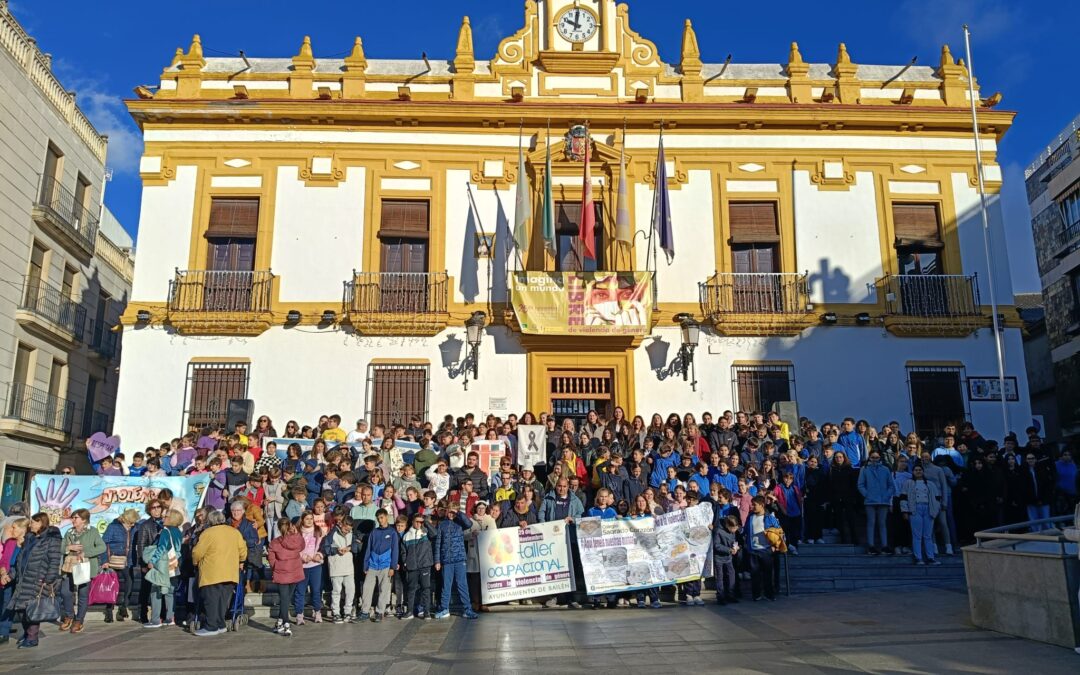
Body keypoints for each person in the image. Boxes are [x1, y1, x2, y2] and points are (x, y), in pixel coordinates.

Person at [192, 509, 248, 636]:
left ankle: (211, 627)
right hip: (230, 572)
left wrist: (195, 562)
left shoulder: (208, 533)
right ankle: (220, 624)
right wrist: (241, 560)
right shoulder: (234, 532)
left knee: (211, 600)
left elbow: (198, 552)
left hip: (212, 572)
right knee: (223, 600)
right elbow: (243, 550)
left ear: (210, 521)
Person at [11, 513, 62, 648]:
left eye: (33, 522)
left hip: (38, 579)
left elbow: (54, 561)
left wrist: (48, 579)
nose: (31, 525)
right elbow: (22, 556)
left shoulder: (52, 540)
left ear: (41, 523)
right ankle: (28, 633)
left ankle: (32, 638)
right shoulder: (30, 538)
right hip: (24, 578)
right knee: (21, 609)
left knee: (33, 609)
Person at [59, 508, 106, 634]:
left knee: (83, 594)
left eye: (76, 518)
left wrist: (86, 553)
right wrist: (69, 547)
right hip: (69, 566)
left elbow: (102, 547)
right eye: (72, 517)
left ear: (84, 520)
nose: (73, 520)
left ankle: (79, 620)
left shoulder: (92, 531)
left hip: (85, 566)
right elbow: (61, 548)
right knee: (65, 592)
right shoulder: (69, 532)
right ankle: (69, 615)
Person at [433, 499, 477, 620]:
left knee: (462, 584)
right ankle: (444, 608)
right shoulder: (442, 524)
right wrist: (437, 561)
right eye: (449, 512)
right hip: (446, 560)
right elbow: (438, 544)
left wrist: (458, 513)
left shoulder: (460, 522)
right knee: (446, 586)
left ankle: (467, 609)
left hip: (459, 559)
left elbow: (469, 524)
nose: (451, 514)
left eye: (453, 512)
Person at [144, 509, 183, 628]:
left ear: (171, 519)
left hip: (164, 565)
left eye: (166, 516)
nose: (163, 518)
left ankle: (155, 620)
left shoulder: (165, 532)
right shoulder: (178, 531)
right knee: (170, 592)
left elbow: (161, 549)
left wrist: (152, 561)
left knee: (156, 591)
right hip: (174, 565)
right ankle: (170, 618)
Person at [359, 508, 400, 622]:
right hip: (372, 564)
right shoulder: (374, 532)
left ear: (386, 517)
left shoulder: (392, 533)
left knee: (383, 589)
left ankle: (380, 612)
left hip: (385, 565)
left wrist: (392, 566)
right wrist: (365, 565)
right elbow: (368, 549)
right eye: (378, 518)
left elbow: (395, 550)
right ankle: (365, 611)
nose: (380, 520)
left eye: (382, 518)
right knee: (367, 588)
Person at [102, 508, 139, 622]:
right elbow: (104, 543)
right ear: (125, 519)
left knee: (130, 581)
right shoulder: (113, 527)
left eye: (133, 523)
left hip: (128, 560)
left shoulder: (134, 527)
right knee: (111, 585)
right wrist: (104, 560)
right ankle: (109, 610)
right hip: (113, 559)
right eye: (130, 522)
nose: (132, 525)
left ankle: (124, 606)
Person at [900, 464, 943, 565]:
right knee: (917, 535)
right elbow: (903, 497)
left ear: (923, 472)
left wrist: (935, 510)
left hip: (928, 509)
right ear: (913, 472)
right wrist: (905, 511)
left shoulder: (930, 484)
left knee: (928, 535)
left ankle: (930, 557)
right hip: (915, 509)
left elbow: (937, 498)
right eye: (916, 470)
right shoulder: (908, 483)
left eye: (920, 470)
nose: (918, 471)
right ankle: (918, 557)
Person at [268, 517, 304, 636]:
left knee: (284, 599)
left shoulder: (275, 542)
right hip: (295, 571)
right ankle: (280, 622)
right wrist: (297, 533)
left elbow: (271, 558)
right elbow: (302, 546)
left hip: (282, 573)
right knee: (287, 599)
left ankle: (285, 623)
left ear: (278, 528)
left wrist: (276, 567)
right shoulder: (296, 539)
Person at [858, 451, 896, 555]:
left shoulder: (885, 469)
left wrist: (887, 495)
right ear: (869, 458)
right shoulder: (864, 469)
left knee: (882, 523)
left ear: (880, 458)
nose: (875, 459)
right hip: (870, 501)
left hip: (883, 500)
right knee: (871, 523)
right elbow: (860, 485)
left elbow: (891, 485)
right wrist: (867, 495)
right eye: (873, 457)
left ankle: (884, 546)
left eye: (877, 457)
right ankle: (871, 546)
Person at [745, 496, 781, 601]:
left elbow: (778, 532)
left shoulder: (770, 518)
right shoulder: (750, 517)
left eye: (755, 505)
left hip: (766, 550)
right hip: (753, 549)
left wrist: (775, 546)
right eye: (752, 505)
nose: (753, 507)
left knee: (768, 574)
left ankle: (769, 594)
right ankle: (756, 595)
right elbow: (746, 530)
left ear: (762, 505)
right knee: (755, 574)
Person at [0, 517, 29, 644]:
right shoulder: (10, 542)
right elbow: (4, 559)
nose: (12, 530)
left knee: (23, 606)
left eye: (14, 527)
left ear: (23, 529)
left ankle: (28, 633)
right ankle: (3, 632)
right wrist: (2, 573)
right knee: (6, 603)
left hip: (22, 575)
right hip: (7, 574)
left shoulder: (28, 543)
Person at [401, 511, 436, 619]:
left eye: (421, 522)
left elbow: (435, 533)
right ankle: (410, 612)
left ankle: (426, 612)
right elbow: (403, 552)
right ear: (412, 522)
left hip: (425, 565)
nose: (419, 524)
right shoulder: (407, 535)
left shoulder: (426, 532)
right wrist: (405, 562)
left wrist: (425, 521)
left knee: (426, 588)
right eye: (417, 522)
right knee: (411, 589)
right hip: (412, 566)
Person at [294, 511, 325, 624]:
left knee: (316, 590)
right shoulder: (297, 532)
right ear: (302, 520)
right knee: (300, 591)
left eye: (311, 518)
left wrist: (319, 555)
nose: (309, 521)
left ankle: (317, 612)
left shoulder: (318, 530)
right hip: (302, 566)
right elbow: (295, 548)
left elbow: (323, 545)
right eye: (306, 518)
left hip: (315, 565)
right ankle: (299, 614)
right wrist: (303, 557)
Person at [712, 514, 740, 605]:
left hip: (729, 557)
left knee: (731, 575)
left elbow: (734, 540)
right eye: (733, 528)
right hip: (719, 558)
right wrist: (728, 550)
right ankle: (721, 596)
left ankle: (730, 594)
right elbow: (716, 545)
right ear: (727, 525)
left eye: (736, 528)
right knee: (719, 577)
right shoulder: (719, 531)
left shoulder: (733, 531)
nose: (734, 530)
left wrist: (736, 547)